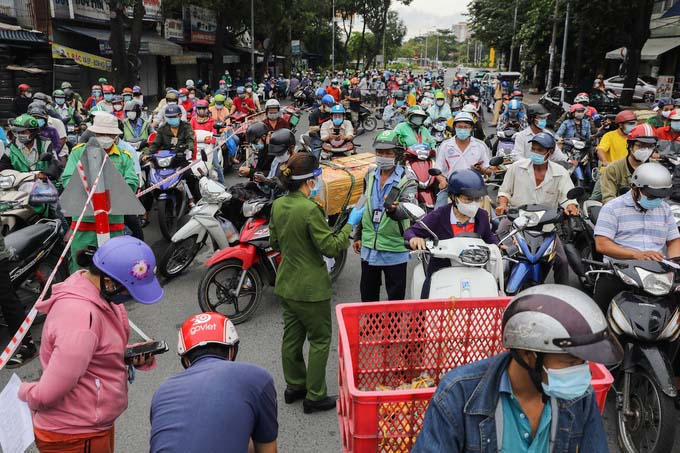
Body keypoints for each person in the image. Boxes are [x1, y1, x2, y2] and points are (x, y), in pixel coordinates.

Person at [413, 284, 622, 452]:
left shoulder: (580, 397)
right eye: (569, 361)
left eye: (583, 361)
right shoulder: (458, 394)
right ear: (527, 354)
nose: (580, 371)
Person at [18, 236, 163, 453]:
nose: (129, 297)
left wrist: (125, 355)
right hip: (75, 435)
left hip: (89, 425)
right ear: (109, 281)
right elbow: (48, 393)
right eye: (128, 290)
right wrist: (23, 392)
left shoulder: (97, 294)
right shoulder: (80, 320)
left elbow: (91, 352)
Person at [269, 153, 363, 413]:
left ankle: (295, 386)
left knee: (292, 338)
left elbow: (275, 243)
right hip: (311, 287)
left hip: (287, 283)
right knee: (320, 340)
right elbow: (331, 247)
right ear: (309, 181)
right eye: (318, 176)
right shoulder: (310, 209)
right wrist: (350, 224)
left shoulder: (278, 205)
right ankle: (315, 395)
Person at [149, 312, 277, 453]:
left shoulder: (161, 392)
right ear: (232, 350)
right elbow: (268, 449)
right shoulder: (258, 378)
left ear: (185, 359)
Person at [593, 162, 680, 312]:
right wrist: (636, 255)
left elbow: (674, 240)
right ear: (635, 187)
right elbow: (602, 244)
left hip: (658, 273)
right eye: (651, 196)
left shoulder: (664, 209)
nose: (656, 200)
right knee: (598, 315)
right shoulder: (613, 208)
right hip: (621, 271)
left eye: (659, 196)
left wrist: (674, 261)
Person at [495, 132, 578, 285]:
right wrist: (503, 204)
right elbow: (504, 191)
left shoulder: (560, 173)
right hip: (515, 222)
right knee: (497, 253)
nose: (535, 153)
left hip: (545, 227)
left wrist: (571, 207)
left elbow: (568, 198)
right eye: (534, 149)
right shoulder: (516, 167)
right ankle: (495, 290)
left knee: (562, 262)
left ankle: (562, 295)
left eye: (540, 150)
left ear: (550, 152)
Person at [62, 115, 138, 272]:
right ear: (94, 134)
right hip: (84, 221)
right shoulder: (78, 153)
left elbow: (132, 182)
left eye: (109, 134)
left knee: (113, 264)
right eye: (101, 134)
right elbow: (68, 179)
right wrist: (91, 190)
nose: (105, 138)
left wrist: (109, 192)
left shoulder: (124, 157)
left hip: (113, 221)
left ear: (115, 136)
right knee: (81, 266)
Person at [405, 169, 498, 298]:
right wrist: (414, 239)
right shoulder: (439, 215)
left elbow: (488, 237)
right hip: (441, 271)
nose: (474, 203)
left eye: (478, 199)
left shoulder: (482, 216)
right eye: (468, 199)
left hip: (475, 270)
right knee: (427, 297)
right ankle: (424, 315)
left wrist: (498, 245)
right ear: (453, 197)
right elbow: (412, 231)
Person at [353, 130, 416, 302]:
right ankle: (370, 329)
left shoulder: (407, 179)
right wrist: (358, 235)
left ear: (397, 154)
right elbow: (364, 204)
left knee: (395, 299)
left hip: (394, 248)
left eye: (388, 153)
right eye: (379, 152)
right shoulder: (370, 175)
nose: (383, 156)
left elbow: (411, 209)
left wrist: (395, 211)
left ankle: (391, 330)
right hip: (369, 246)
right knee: (367, 297)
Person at [432, 112, 491, 208]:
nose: (462, 129)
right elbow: (438, 170)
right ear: (455, 128)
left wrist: (481, 170)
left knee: (492, 219)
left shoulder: (480, 146)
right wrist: (442, 181)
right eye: (460, 127)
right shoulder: (446, 145)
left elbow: (489, 171)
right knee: (436, 217)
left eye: (466, 127)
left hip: (475, 189)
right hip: (451, 188)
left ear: (471, 128)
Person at [599, 124, 657, 204]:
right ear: (630, 146)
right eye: (640, 146)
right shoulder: (614, 169)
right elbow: (609, 198)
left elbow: (662, 195)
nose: (645, 150)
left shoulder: (656, 168)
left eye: (650, 146)